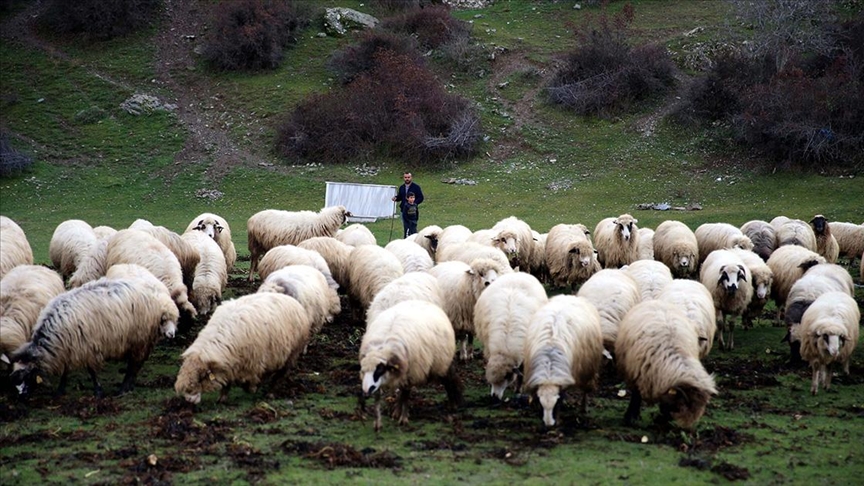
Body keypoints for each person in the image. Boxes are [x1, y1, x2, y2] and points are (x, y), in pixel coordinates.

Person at [392, 172, 424, 238]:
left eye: (408, 177)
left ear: (411, 178)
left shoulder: (416, 187)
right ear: (404, 178)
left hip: (412, 210)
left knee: (413, 226)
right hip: (404, 209)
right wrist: (396, 198)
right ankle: (406, 238)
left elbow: (421, 197)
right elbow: (400, 197)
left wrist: (414, 203)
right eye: (405, 177)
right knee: (406, 226)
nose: (407, 179)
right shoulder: (401, 187)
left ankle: (414, 238)